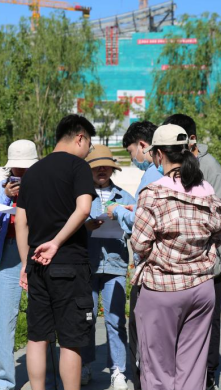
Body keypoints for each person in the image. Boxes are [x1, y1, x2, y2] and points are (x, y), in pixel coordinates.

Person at [131, 124, 221, 390]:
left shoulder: (154, 192)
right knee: (193, 371)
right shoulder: (206, 189)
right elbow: (219, 234)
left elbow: (139, 243)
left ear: (159, 154)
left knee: (157, 370)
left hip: (163, 288)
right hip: (202, 288)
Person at [15, 114, 98, 390]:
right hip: (69, 264)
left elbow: (21, 221)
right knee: (71, 340)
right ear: (80, 138)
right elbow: (83, 209)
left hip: (36, 266)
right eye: (89, 144)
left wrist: (25, 264)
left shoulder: (32, 172)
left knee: (37, 338)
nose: (88, 151)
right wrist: (57, 242)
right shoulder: (78, 167)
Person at [162, 113, 221, 390]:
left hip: (208, 263)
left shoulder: (208, 164)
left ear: (190, 138)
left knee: (209, 323)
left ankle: (209, 374)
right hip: (181, 264)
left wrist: (193, 218)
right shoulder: (171, 165)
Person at [0, 140, 42, 390]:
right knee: (2, 323)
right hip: (8, 254)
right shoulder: (2, 187)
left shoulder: (44, 184)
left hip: (36, 252)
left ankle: (45, 378)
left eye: (25, 168)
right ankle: (1, 382)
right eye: (17, 168)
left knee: (41, 318)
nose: (20, 172)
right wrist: (6, 196)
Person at [80, 145, 135, 389]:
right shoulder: (81, 196)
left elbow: (139, 227)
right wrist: (85, 226)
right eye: (97, 167)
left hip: (115, 265)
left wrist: (124, 220)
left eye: (107, 166)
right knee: (86, 318)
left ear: (113, 169)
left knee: (115, 319)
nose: (102, 170)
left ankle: (118, 370)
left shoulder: (125, 197)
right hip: (87, 265)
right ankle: (84, 365)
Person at [119, 120, 163, 389]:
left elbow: (141, 221)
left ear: (143, 145)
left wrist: (119, 212)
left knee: (141, 334)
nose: (132, 159)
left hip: (150, 269)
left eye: (131, 152)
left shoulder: (152, 174)